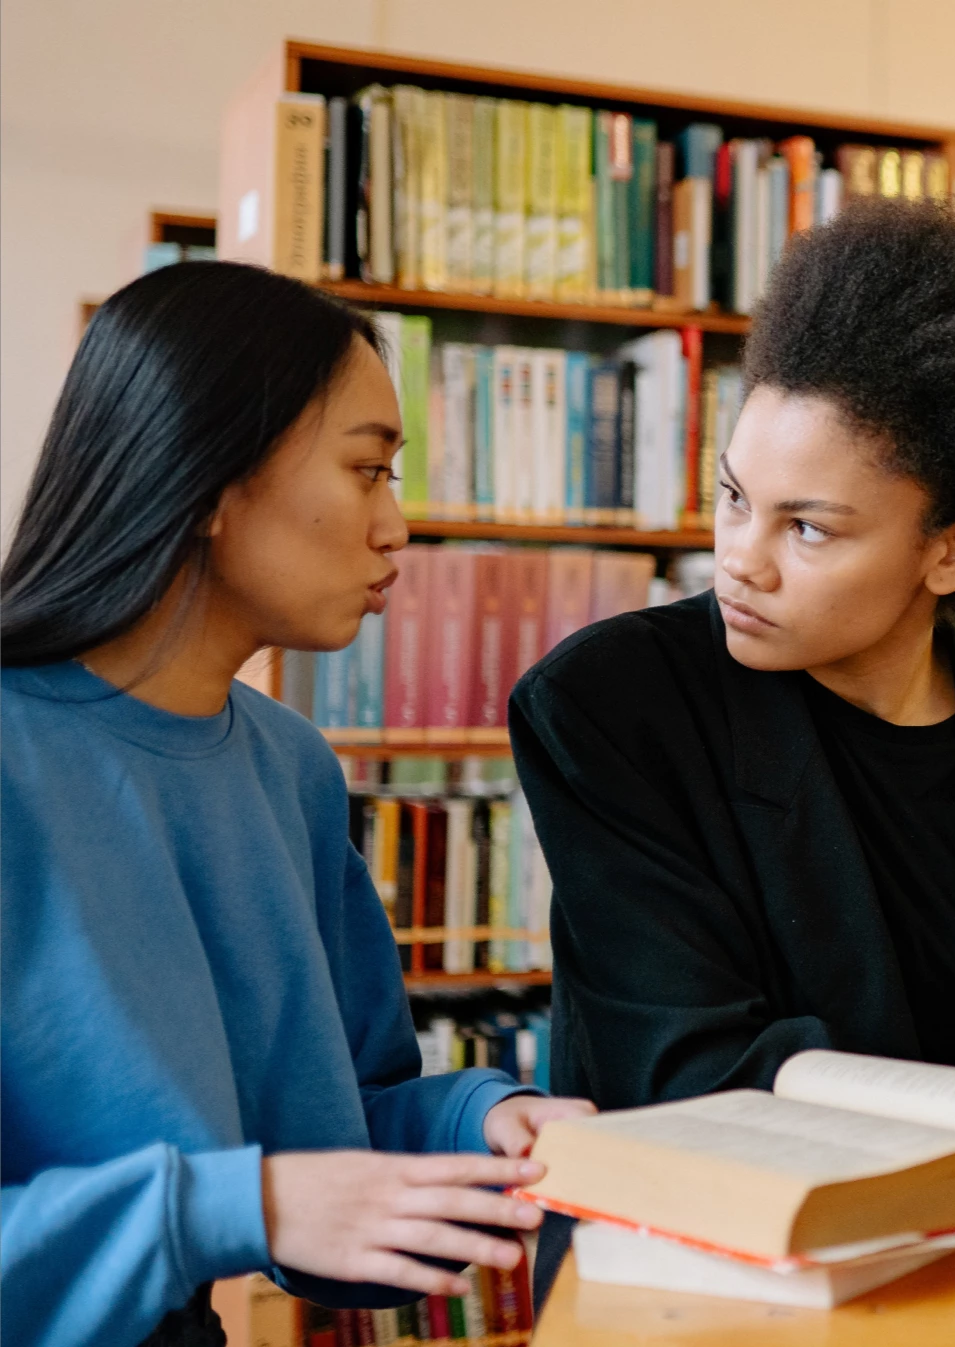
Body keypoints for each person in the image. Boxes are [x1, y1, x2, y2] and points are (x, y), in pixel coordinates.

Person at [0, 262, 590, 1347]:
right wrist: (234, 1207)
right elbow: (265, 1194)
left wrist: (486, 1119)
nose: (396, 529)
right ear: (210, 477)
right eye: (367, 470)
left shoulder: (292, 769)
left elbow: (329, 1132)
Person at [510, 199, 955, 1116]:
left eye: (806, 527)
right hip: (723, 1233)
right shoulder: (610, 704)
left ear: (954, 550)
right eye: (733, 496)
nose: (739, 558)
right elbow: (683, 1064)